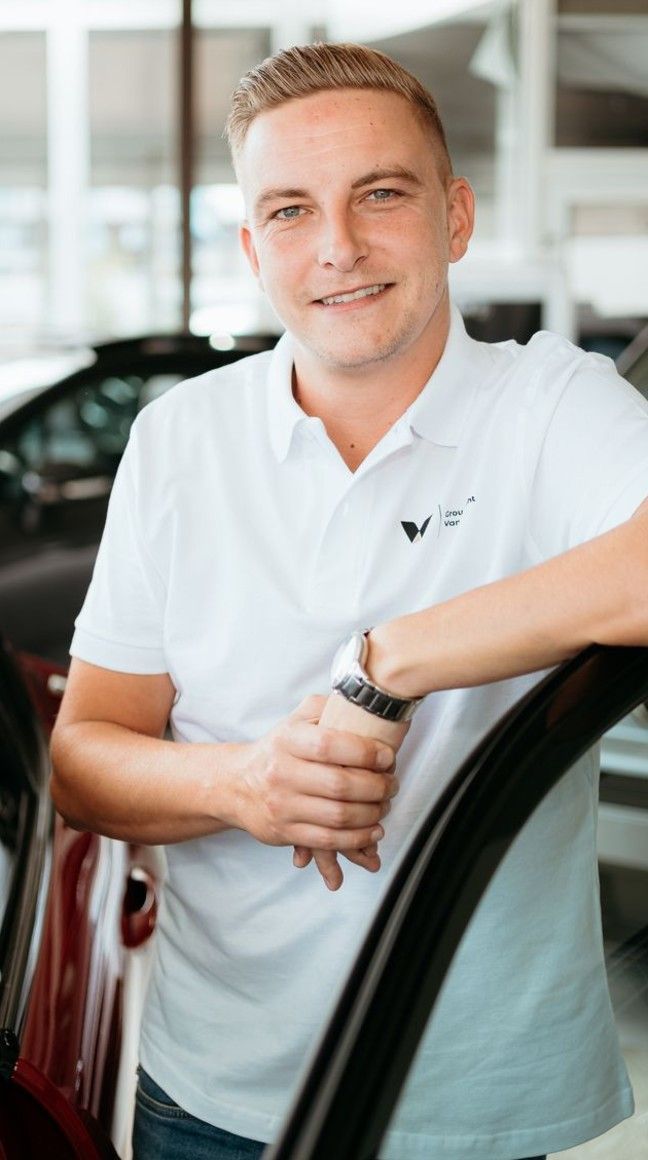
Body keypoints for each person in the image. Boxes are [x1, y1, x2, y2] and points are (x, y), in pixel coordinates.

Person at [50, 41, 648, 1160]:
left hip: (476, 1112)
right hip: (212, 1100)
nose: (338, 246)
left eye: (381, 193)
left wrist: (389, 662)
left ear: (455, 217)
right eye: (290, 210)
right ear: (252, 248)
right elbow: (84, 760)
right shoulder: (181, 439)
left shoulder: (551, 405)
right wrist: (247, 783)